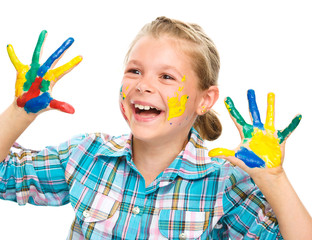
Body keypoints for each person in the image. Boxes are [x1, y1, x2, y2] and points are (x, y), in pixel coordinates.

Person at [0, 16, 311, 240]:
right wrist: (19, 112)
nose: (143, 85)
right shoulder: (86, 155)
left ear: (205, 100)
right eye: (134, 70)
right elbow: (5, 176)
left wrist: (274, 179)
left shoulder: (224, 181)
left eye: (166, 77)